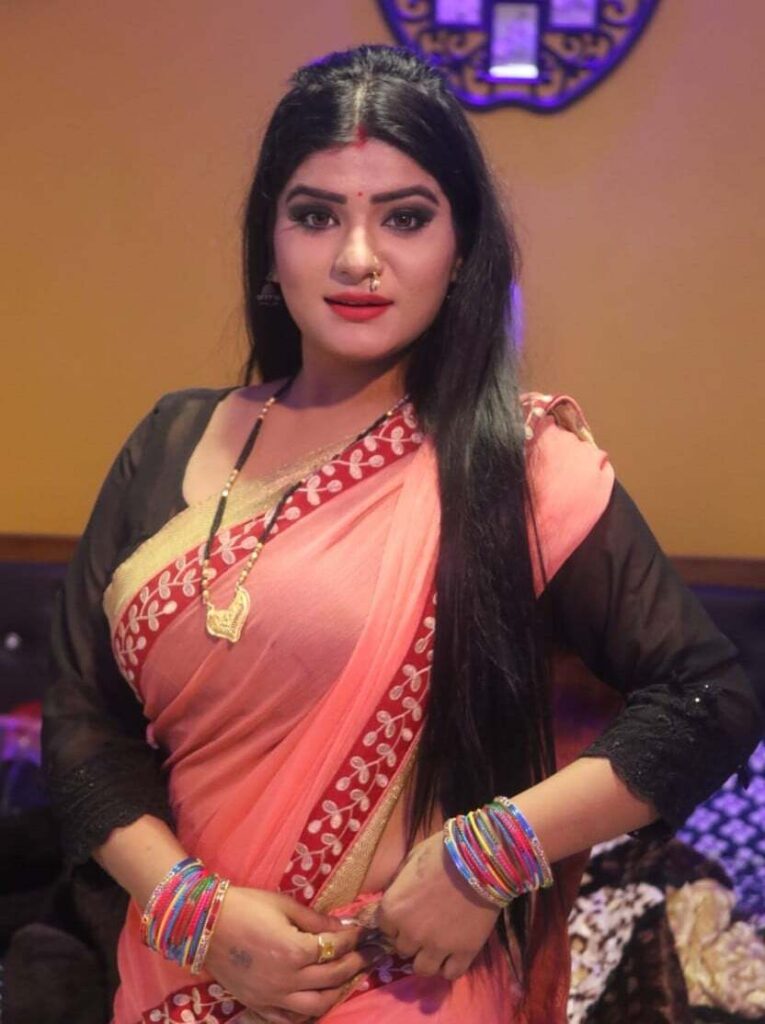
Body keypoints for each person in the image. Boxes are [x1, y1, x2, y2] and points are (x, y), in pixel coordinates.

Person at [42, 44, 762, 1024]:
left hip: (399, 984)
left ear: (460, 248)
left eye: (406, 217)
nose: (357, 257)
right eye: (315, 215)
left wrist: (485, 858)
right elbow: (84, 721)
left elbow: (706, 699)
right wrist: (196, 917)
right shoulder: (169, 440)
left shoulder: (516, 467)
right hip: (174, 973)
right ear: (269, 240)